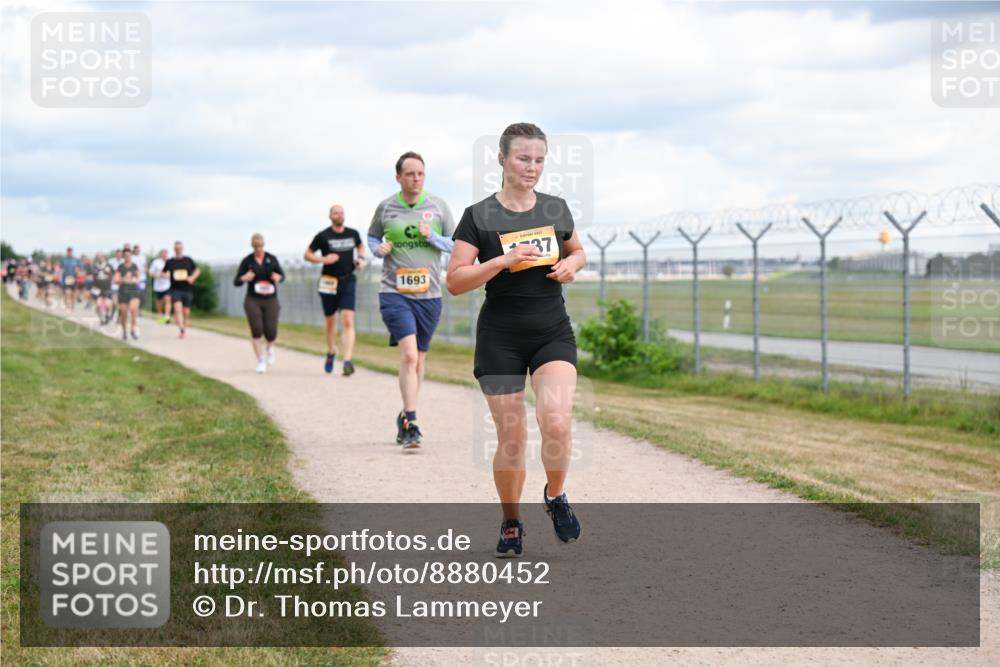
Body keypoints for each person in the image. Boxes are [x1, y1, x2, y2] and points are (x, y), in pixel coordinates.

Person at [447, 123, 586, 558]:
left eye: (539, 160)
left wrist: (573, 266)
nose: (532, 167)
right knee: (512, 436)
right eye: (524, 158)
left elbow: (577, 250)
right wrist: (502, 262)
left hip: (551, 332)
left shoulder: (554, 208)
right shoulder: (478, 216)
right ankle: (511, 521)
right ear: (502, 159)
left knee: (556, 421)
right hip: (500, 337)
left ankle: (555, 495)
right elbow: (455, 281)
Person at [367, 151, 456, 448]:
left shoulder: (438, 206)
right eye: (410, 174)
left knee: (419, 360)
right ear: (398, 177)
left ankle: (405, 413)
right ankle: (413, 423)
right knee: (409, 355)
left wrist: (433, 237)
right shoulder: (386, 207)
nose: (416, 179)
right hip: (394, 293)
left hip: (429, 295)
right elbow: (372, 237)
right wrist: (377, 249)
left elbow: (456, 244)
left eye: (420, 173)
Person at [304, 205, 366, 376]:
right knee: (330, 321)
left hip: (348, 279)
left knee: (347, 319)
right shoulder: (323, 236)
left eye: (341, 212)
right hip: (328, 281)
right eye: (336, 213)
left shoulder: (353, 233)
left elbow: (360, 247)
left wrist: (360, 259)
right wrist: (323, 259)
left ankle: (347, 361)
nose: (339, 215)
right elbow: (307, 254)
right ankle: (331, 351)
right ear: (330, 216)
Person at [235, 233, 284, 373]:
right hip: (253, 299)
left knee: (271, 331)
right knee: (257, 330)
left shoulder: (271, 259)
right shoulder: (247, 261)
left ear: (264, 245)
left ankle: (269, 348)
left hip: (270, 299)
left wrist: (278, 277)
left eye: (261, 246)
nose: (258, 249)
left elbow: (282, 275)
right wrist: (244, 277)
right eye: (256, 246)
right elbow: (236, 281)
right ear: (252, 246)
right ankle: (261, 361)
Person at [162, 241, 199, 338]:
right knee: (177, 309)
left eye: (180, 248)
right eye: (176, 248)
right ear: (174, 249)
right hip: (175, 289)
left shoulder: (188, 260)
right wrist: (166, 275)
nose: (178, 250)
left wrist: (192, 278)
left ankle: (184, 327)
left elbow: (197, 270)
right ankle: (181, 329)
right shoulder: (170, 262)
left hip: (187, 289)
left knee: (186, 312)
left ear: (182, 249)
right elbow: (163, 272)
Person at [114, 246, 143, 340]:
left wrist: (135, 280)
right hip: (123, 292)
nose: (128, 257)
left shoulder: (134, 266)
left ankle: (133, 330)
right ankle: (124, 331)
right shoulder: (120, 267)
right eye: (126, 255)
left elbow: (139, 278)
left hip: (134, 291)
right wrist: (124, 279)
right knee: (124, 313)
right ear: (123, 257)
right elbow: (116, 280)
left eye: (129, 255)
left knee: (134, 311)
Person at [149, 248, 172, 323]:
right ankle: (160, 315)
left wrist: (169, 276)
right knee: (159, 302)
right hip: (158, 286)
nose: (165, 255)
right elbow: (150, 272)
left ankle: (167, 316)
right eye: (163, 253)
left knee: (167, 299)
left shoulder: (170, 261)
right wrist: (157, 275)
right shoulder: (156, 262)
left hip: (167, 285)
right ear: (161, 254)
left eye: (166, 253)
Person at [91, 254, 114, 325]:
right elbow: (92, 276)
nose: (100, 259)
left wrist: (111, 280)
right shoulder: (94, 267)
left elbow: (114, 274)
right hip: (98, 289)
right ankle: (101, 319)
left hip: (107, 288)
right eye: (98, 258)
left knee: (108, 305)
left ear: (104, 258)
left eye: (101, 257)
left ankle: (107, 315)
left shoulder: (109, 266)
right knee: (98, 305)